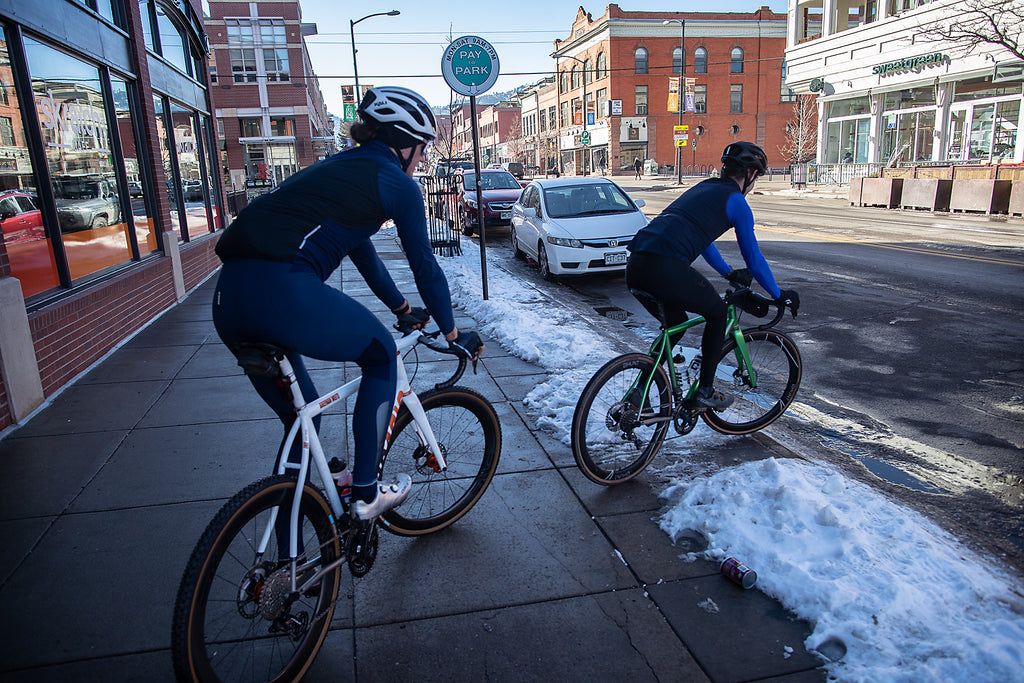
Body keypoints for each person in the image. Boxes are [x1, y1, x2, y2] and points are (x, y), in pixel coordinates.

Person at [212, 86, 484, 523]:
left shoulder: (336, 168)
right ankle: (365, 495)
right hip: (283, 290)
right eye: (423, 149)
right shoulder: (398, 183)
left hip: (229, 300)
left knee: (303, 425)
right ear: (406, 143)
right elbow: (426, 268)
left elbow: (362, 251)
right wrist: (452, 334)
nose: (423, 159)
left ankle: (286, 559)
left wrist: (400, 310)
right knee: (380, 356)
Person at [625, 141, 798, 411]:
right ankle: (704, 390)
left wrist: (728, 273)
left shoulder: (704, 187)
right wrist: (779, 295)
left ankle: (639, 392)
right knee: (717, 313)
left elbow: (703, 240)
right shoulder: (736, 201)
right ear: (751, 175)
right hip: (665, 265)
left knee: (674, 325)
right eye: (756, 178)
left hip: (636, 264)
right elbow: (753, 259)